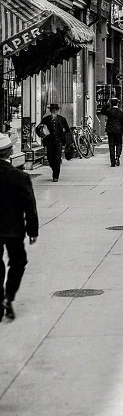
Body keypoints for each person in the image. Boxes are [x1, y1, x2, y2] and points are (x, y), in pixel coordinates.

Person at [0, 132, 38, 321]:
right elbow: (29, 206)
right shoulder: (19, 177)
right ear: (9, 153)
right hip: (13, 229)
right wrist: (33, 231)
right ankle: (8, 296)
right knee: (18, 261)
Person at [36, 102, 70, 182]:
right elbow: (38, 129)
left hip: (59, 142)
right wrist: (41, 131)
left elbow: (68, 130)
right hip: (49, 142)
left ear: (57, 111)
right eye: (53, 110)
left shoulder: (62, 119)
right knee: (50, 157)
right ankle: (53, 167)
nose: (54, 111)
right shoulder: (46, 119)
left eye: (55, 110)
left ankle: (56, 175)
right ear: (50, 111)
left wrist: (66, 139)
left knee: (57, 158)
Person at [102, 96, 123, 167]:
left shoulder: (109, 112)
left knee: (111, 145)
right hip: (119, 130)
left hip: (110, 131)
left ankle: (112, 161)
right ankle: (118, 156)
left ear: (111, 103)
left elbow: (102, 111)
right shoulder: (121, 113)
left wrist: (107, 104)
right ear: (118, 104)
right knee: (119, 144)